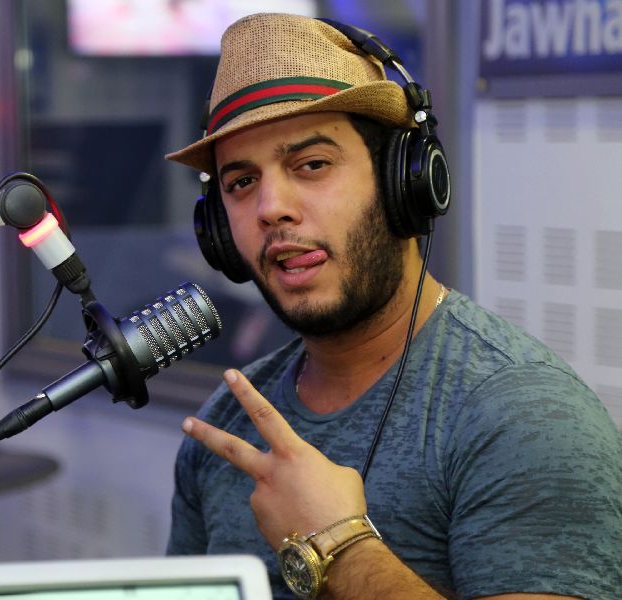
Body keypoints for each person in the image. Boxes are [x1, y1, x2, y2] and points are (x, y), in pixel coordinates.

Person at [164, 13, 621, 600]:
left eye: (312, 165)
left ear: (403, 183)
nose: (271, 207)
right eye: (241, 182)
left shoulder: (521, 415)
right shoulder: (228, 424)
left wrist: (340, 547)